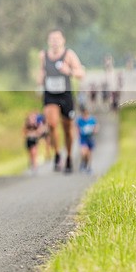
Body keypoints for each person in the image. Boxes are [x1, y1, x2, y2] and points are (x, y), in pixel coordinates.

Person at [38, 29, 85, 173]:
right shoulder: (43, 55)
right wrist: (40, 79)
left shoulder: (69, 55)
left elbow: (81, 73)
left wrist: (69, 71)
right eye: (52, 39)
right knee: (51, 124)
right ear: (48, 41)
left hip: (65, 95)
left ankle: (69, 156)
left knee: (67, 128)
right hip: (50, 94)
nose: (54, 41)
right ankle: (57, 154)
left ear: (63, 40)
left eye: (57, 39)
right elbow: (41, 72)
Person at [76, 105, 99, 173]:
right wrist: (79, 133)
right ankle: (83, 163)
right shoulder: (80, 120)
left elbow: (96, 127)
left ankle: (88, 166)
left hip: (90, 138)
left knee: (89, 154)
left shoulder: (92, 120)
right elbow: (77, 128)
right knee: (84, 152)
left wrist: (95, 130)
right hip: (83, 139)